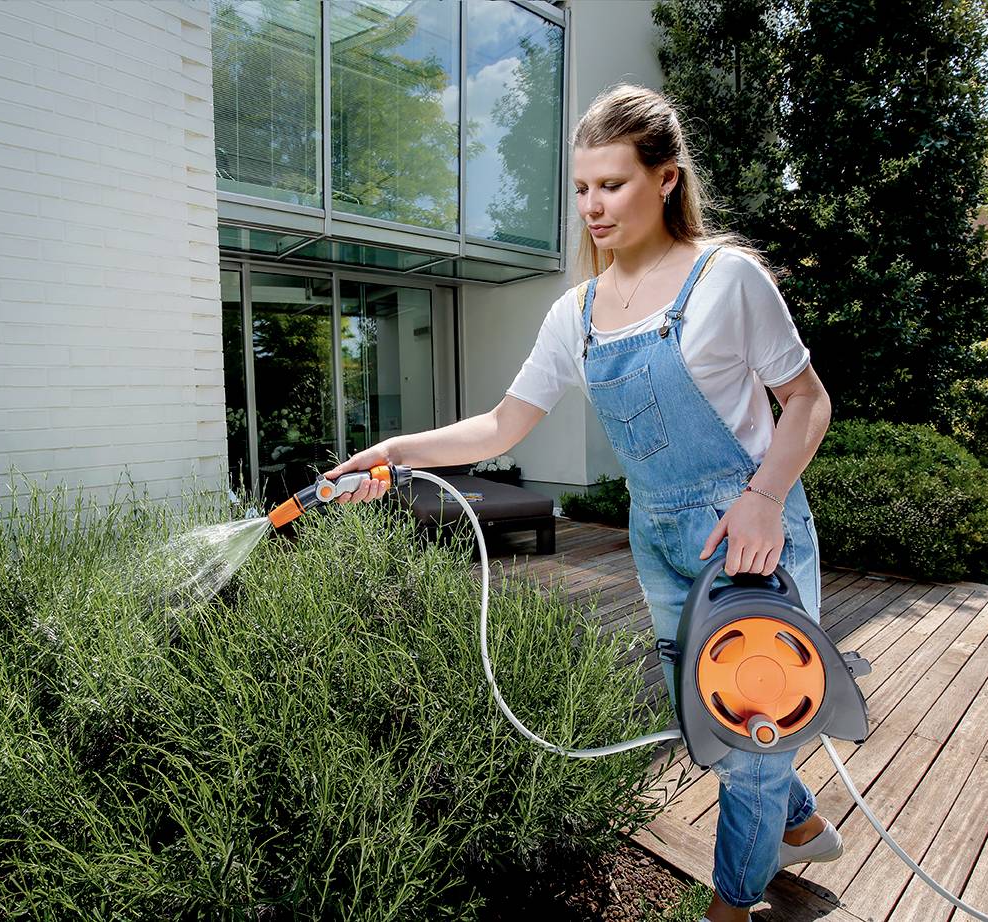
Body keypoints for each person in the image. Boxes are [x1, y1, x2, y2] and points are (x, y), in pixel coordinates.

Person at [321, 84, 839, 922]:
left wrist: (763, 498)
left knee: (748, 739)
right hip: (659, 538)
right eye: (581, 188)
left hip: (751, 536)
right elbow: (501, 424)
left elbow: (807, 402)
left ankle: (732, 906)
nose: (592, 207)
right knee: (703, 714)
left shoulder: (726, 279)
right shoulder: (578, 312)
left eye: (613, 184)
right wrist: (395, 453)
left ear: (665, 179)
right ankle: (801, 822)